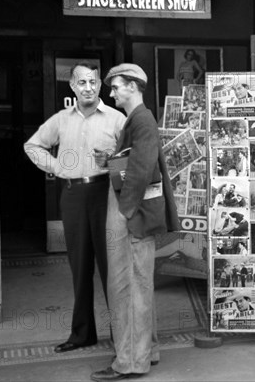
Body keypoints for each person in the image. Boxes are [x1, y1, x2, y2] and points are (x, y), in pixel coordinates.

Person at [24, 61, 126, 354]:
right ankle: (83, 334)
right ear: (72, 87)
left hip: (106, 194)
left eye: (93, 82)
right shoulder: (60, 120)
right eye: (82, 82)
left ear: (99, 85)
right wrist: (55, 167)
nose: (89, 88)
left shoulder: (117, 119)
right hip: (73, 195)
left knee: (112, 268)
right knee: (80, 267)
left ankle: (122, 336)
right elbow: (32, 146)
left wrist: (113, 159)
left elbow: (133, 159)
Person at [91, 63, 179, 381]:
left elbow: (141, 171)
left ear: (133, 86)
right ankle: (148, 351)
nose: (111, 92)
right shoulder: (140, 119)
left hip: (131, 215)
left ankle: (129, 362)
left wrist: (125, 212)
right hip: (137, 213)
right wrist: (111, 160)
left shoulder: (140, 119)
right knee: (141, 285)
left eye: (115, 86)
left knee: (126, 288)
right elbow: (134, 162)